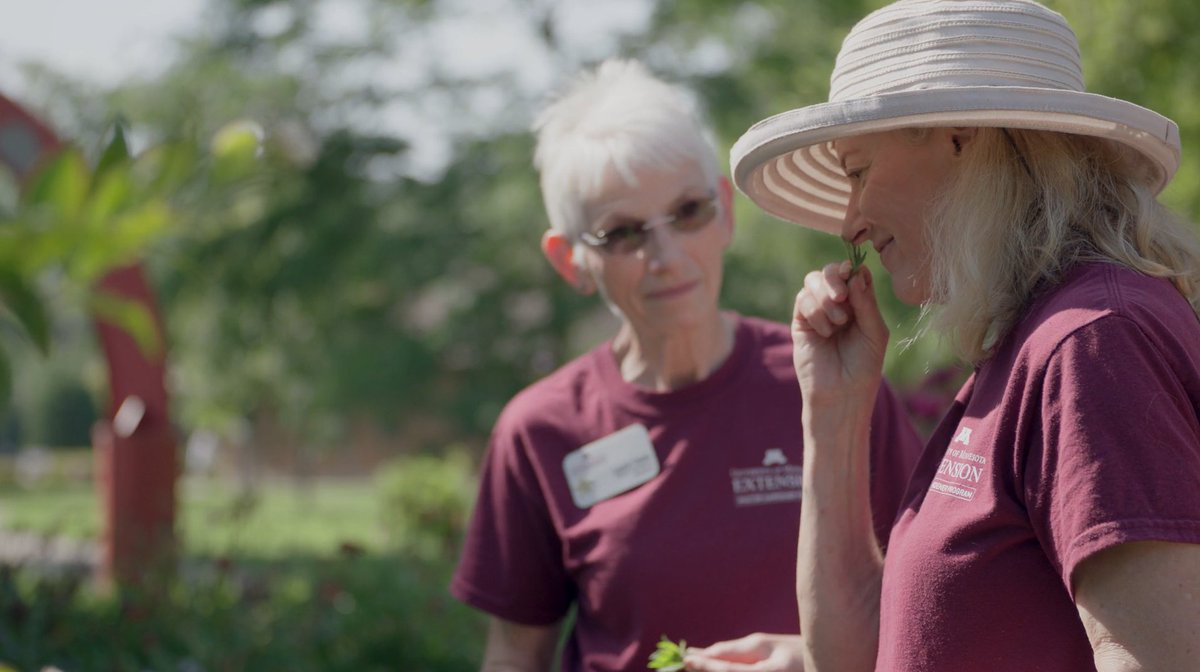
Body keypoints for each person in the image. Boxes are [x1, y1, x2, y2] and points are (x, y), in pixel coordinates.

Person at [689, 1, 1200, 671]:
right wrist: (836, 412)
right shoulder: (1037, 341)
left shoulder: (1095, 339)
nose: (850, 223)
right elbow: (849, 658)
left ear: (960, 134)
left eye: (857, 171)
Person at [449, 59, 925, 672]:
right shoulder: (540, 429)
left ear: (724, 210)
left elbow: (927, 602)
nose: (665, 256)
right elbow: (515, 653)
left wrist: (812, 661)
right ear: (569, 260)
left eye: (687, 212)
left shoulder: (830, 378)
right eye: (622, 233)